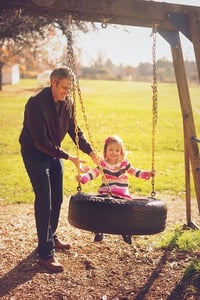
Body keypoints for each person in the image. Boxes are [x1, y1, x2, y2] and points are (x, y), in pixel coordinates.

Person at [19, 66, 97, 273]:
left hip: (54, 153)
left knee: (57, 199)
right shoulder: (35, 104)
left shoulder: (67, 103)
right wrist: (69, 157)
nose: (66, 92)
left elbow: (75, 131)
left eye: (69, 89)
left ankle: (50, 236)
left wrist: (91, 152)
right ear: (53, 82)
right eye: (64, 87)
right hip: (35, 154)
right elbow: (40, 142)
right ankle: (45, 253)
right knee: (44, 199)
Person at [76, 135, 155, 245]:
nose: (114, 152)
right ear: (105, 151)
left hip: (121, 193)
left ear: (121, 152)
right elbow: (94, 173)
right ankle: (99, 231)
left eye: (117, 150)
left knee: (124, 213)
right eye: (111, 150)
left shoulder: (124, 164)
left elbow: (134, 172)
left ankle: (126, 232)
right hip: (106, 193)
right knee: (102, 210)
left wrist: (147, 174)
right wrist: (83, 178)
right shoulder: (102, 164)